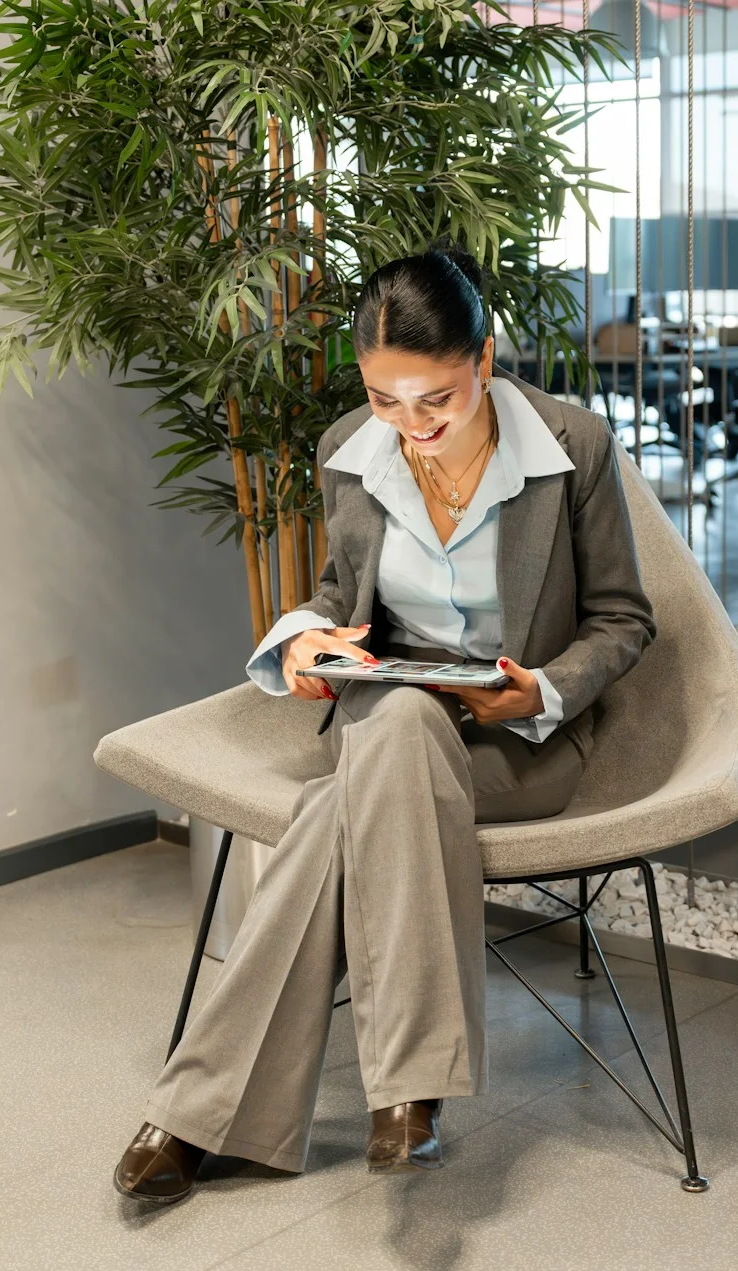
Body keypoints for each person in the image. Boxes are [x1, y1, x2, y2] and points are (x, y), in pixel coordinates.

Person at [113, 245, 654, 1202]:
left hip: (519, 741)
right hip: (393, 715)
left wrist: (542, 691)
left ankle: (201, 1115)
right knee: (398, 714)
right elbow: (337, 595)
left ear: (485, 360)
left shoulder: (575, 447)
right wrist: (304, 646)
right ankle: (410, 1094)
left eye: (436, 400)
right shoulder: (347, 451)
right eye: (386, 400)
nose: (411, 426)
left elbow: (623, 618)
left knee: (339, 809)